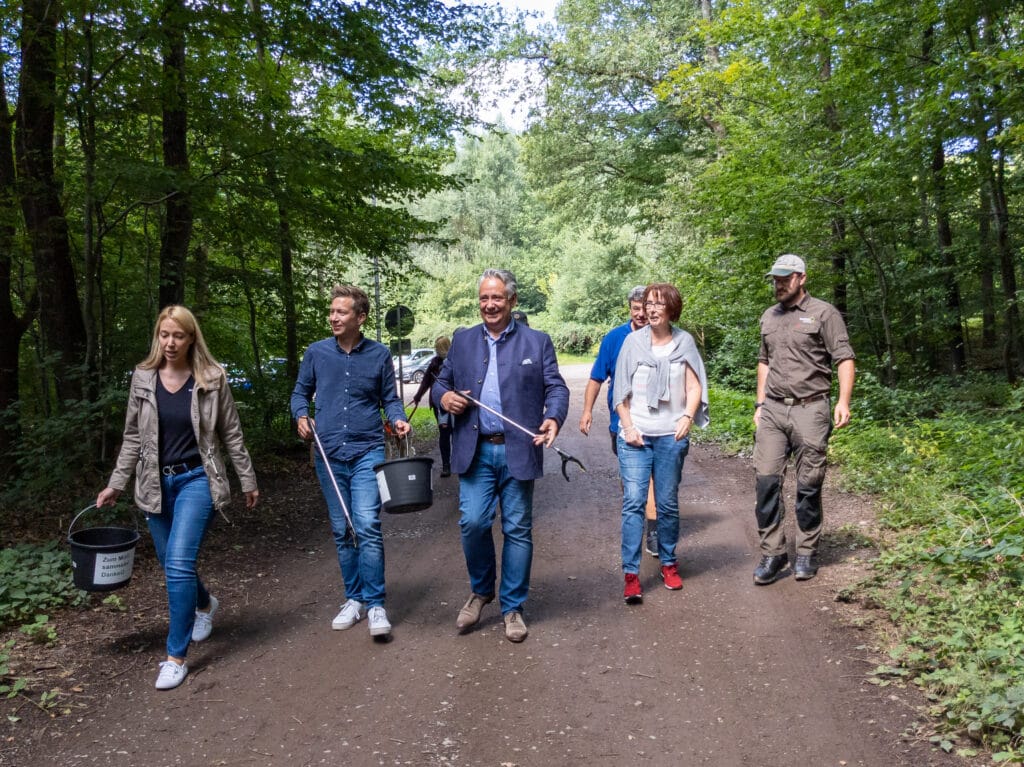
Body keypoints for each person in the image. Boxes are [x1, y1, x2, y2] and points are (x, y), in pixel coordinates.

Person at [96, 305, 259, 691]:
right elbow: (133, 436)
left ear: (191, 338)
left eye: (179, 335)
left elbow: (231, 434)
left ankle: (175, 657)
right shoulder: (142, 377)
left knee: (180, 563)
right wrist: (116, 483)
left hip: (197, 480)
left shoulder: (212, 378)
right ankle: (205, 605)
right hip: (155, 484)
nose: (170, 343)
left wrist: (247, 479)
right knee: (173, 564)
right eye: (164, 334)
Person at [433, 268, 569, 643]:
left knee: (517, 529)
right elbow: (441, 384)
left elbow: (556, 388)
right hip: (474, 450)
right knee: (473, 523)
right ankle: (481, 591)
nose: (489, 305)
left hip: (518, 449)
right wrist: (443, 397)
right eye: (483, 298)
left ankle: (512, 608)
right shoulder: (462, 341)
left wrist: (553, 418)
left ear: (512, 300)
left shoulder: (537, 342)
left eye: (496, 298)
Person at [290, 284, 410, 637]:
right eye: (331, 312)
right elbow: (300, 393)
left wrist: (398, 418)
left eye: (341, 312)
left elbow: (390, 398)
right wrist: (300, 416)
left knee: (367, 525)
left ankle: (375, 605)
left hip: (367, 450)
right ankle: (353, 599)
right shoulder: (316, 353)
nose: (333, 317)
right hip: (328, 453)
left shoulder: (379, 355)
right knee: (342, 530)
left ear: (360, 317)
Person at [751, 254, 855, 584]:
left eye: (785, 278)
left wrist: (843, 401)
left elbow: (844, 359)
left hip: (811, 408)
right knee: (766, 480)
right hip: (773, 410)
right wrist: (759, 403)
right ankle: (773, 554)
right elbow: (764, 363)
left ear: (801, 278)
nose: (778, 284)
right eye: (775, 279)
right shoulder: (769, 316)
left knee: (809, 484)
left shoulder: (824, 313)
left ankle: (806, 551)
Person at [613, 283, 708, 604]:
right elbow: (619, 392)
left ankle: (668, 563)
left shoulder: (685, 342)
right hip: (636, 436)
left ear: (671, 309)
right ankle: (630, 575)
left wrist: (686, 417)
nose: (651, 309)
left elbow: (695, 386)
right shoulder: (631, 343)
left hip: (671, 436)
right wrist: (627, 427)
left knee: (667, 504)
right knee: (634, 503)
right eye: (647, 304)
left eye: (658, 304)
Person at [579, 285, 659, 556]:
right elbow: (596, 377)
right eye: (636, 309)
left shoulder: (662, 336)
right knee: (633, 480)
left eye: (644, 309)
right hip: (621, 422)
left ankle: (654, 528)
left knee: (649, 478)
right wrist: (587, 410)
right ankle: (637, 512)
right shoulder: (615, 338)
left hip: (656, 421)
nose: (641, 314)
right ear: (630, 310)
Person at [412, 336, 453, 477]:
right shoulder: (434, 363)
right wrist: (417, 397)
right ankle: (446, 465)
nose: (436, 350)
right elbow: (425, 382)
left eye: (438, 347)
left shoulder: (456, 360)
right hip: (439, 405)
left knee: (456, 434)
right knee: (445, 434)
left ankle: (456, 463)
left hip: (456, 402)